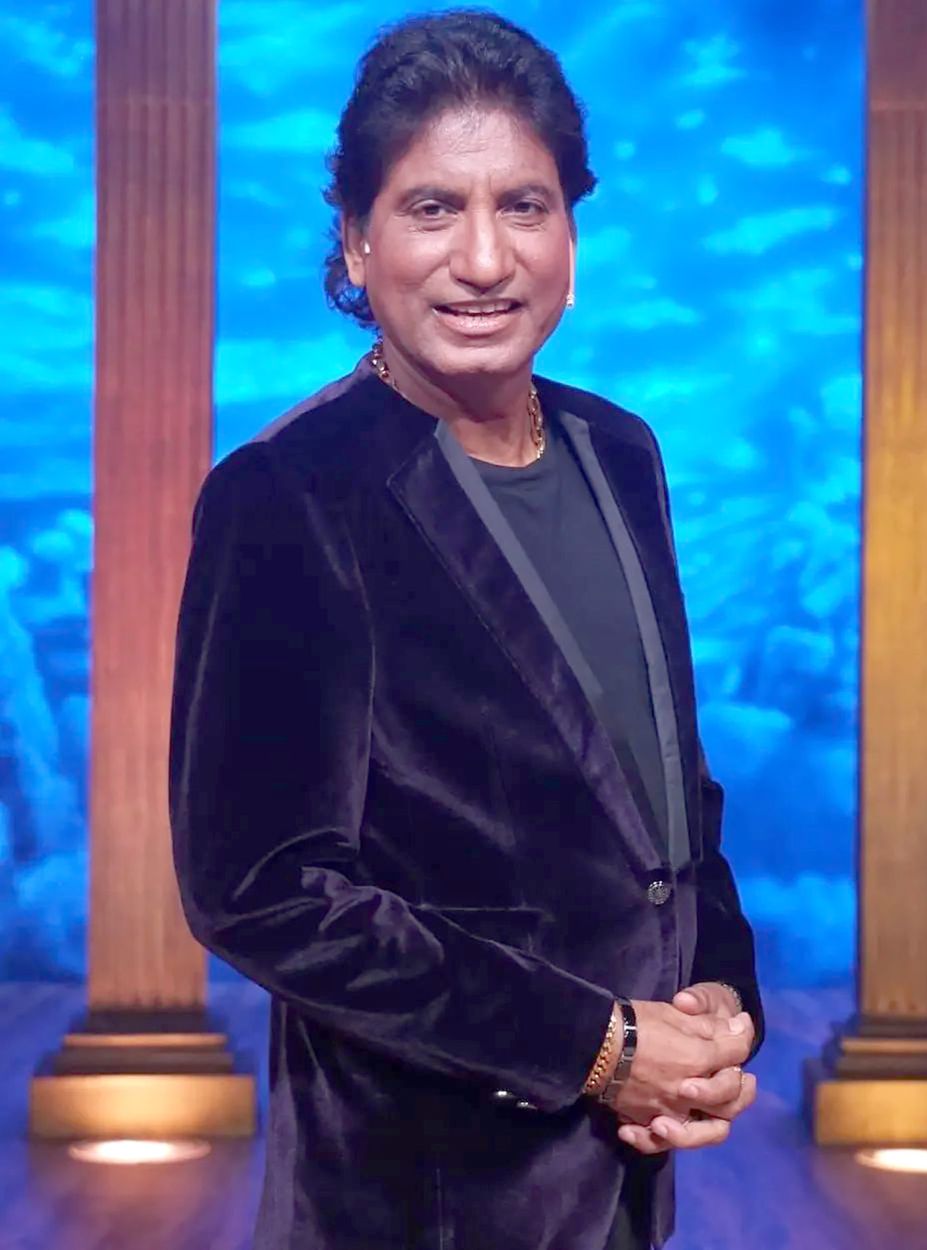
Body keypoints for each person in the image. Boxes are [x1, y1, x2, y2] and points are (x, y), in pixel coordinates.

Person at [169, 10, 763, 1250]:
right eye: (433, 208)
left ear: (571, 231)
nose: (484, 258)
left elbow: (663, 800)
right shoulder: (292, 493)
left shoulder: (619, 451)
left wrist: (718, 994)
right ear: (357, 238)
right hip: (418, 1193)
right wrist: (600, 1046)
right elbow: (259, 889)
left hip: (624, 1183)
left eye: (524, 206)